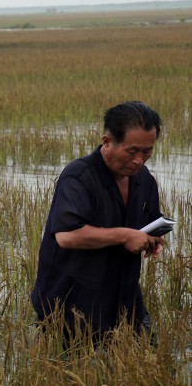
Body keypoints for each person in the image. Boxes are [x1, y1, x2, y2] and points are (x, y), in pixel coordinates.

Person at [31, 101, 167, 340]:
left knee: (149, 358)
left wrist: (152, 240)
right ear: (107, 142)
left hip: (124, 298)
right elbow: (67, 235)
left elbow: (150, 224)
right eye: (132, 151)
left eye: (147, 151)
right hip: (71, 304)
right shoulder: (78, 176)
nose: (139, 160)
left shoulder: (144, 180)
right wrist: (126, 235)